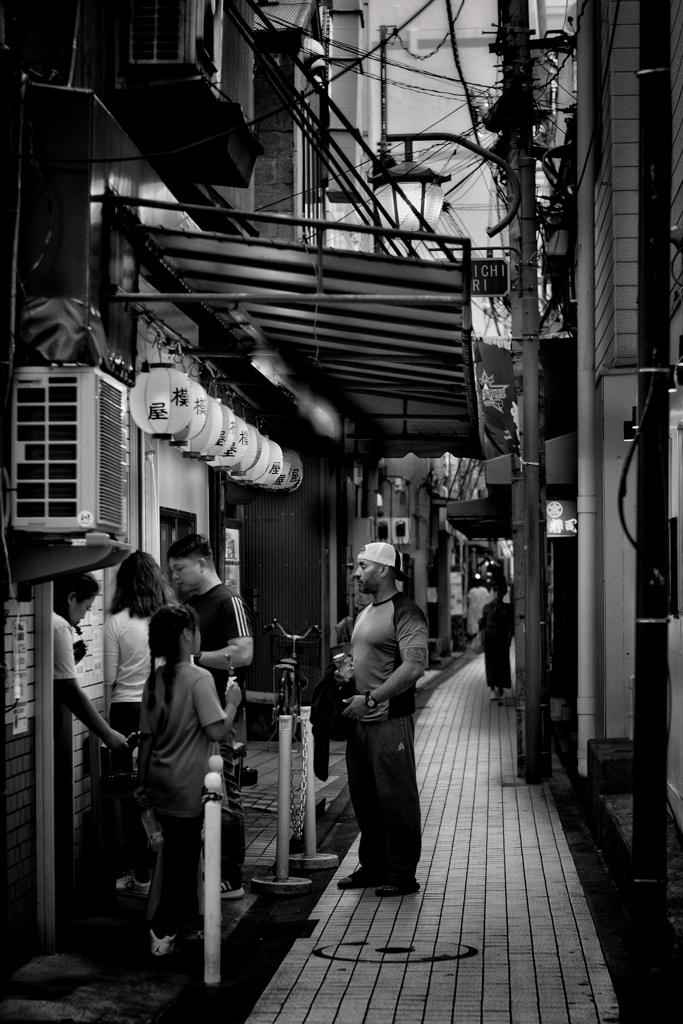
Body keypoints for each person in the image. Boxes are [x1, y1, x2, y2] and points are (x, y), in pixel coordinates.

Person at [135, 604, 239, 956]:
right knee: (182, 864)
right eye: (196, 630)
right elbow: (215, 728)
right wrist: (233, 703)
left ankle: (177, 923)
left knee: (171, 859)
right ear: (185, 635)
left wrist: (142, 784)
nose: (200, 636)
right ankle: (163, 932)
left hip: (160, 785)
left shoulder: (155, 679)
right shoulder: (200, 679)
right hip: (189, 788)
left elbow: (146, 741)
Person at [337, 541, 428, 898]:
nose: (356, 573)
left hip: (389, 719)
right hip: (360, 719)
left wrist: (373, 697)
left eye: (362, 566)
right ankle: (373, 867)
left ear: (384, 569)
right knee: (365, 799)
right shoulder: (365, 612)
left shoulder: (407, 612)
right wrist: (347, 674)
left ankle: (402, 874)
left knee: (397, 798)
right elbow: (364, 658)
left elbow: (415, 665)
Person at [167, 533, 253, 900]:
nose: (175, 577)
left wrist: (193, 659)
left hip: (219, 715)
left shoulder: (227, 601)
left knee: (226, 795)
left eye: (179, 568)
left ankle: (230, 875)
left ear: (202, 564)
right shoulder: (193, 603)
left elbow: (243, 652)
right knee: (207, 795)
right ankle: (212, 869)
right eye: (171, 570)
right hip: (194, 716)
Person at [103, 551, 175, 893]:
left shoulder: (116, 621)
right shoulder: (169, 617)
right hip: (164, 708)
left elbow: (109, 677)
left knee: (132, 793)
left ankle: (141, 874)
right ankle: (167, 871)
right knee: (165, 788)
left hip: (126, 713)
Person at [53, 573, 128, 752]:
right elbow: (70, 690)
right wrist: (107, 733)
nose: (85, 615)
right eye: (87, 607)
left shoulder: (49, 619)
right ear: (72, 598)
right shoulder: (59, 626)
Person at [479, 576, 514, 703]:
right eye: (495, 591)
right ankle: (492, 689)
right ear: (493, 592)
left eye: (500, 591)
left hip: (502, 639)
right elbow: (482, 624)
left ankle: (500, 685)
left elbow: (511, 625)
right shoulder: (487, 608)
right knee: (491, 664)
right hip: (490, 638)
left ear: (503, 593)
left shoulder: (508, 608)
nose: (497, 594)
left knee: (502, 663)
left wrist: (510, 637)